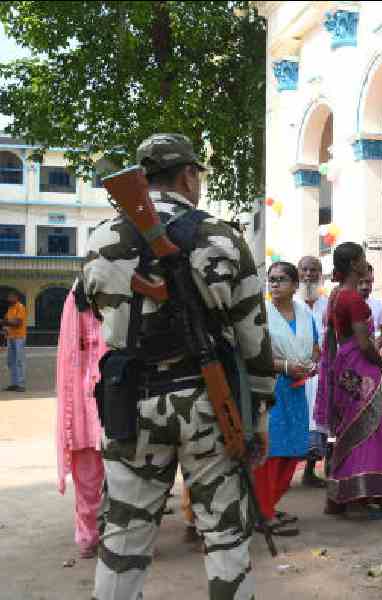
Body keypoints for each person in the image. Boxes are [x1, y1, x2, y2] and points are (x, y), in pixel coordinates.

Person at [83, 133, 275, 600]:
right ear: (188, 175)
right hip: (210, 404)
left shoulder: (102, 237)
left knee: (123, 541)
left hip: (131, 404)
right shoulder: (222, 237)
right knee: (226, 537)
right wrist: (259, 414)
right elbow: (253, 337)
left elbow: (94, 308)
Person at [315, 242, 382, 518]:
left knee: (350, 430)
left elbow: (335, 339)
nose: (364, 263)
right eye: (361, 259)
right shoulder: (353, 299)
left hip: (344, 367)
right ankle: (359, 497)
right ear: (355, 264)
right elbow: (364, 343)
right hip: (360, 368)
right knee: (367, 430)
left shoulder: (336, 295)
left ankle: (346, 496)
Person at [256, 261, 320, 537]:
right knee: (270, 452)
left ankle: (269, 505)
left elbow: (316, 347)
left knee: (293, 450)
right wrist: (284, 367)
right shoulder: (260, 314)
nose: (274, 284)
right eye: (271, 279)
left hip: (296, 388)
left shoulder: (305, 313)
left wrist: (313, 362)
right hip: (269, 389)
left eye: (281, 279)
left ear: (295, 285)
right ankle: (263, 513)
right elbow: (253, 353)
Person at [56, 277, 107, 558]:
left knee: (118, 476)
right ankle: (89, 536)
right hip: (86, 407)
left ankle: (101, 535)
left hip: (101, 403)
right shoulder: (78, 296)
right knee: (88, 476)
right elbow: (69, 356)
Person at [297, 255, 329, 487]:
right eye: (305, 270)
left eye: (314, 270)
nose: (309, 274)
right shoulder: (289, 302)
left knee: (318, 422)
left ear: (321, 274)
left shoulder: (327, 304)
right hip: (294, 371)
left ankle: (310, 470)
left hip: (321, 372)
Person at [359, 263, 382, 348]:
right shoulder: (346, 303)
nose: (364, 286)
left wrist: (377, 343)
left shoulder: (378, 304)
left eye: (368, 282)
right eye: (360, 282)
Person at [2, 290, 26, 392]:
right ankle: (14, 383)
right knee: (11, 361)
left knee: (19, 360)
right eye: (9, 297)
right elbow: (6, 321)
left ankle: (21, 384)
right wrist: (5, 324)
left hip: (19, 337)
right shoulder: (10, 308)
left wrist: (5, 322)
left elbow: (18, 323)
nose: (9, 299)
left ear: (16, 298)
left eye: (11, 297)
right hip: (11, 337)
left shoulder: (20, 307)